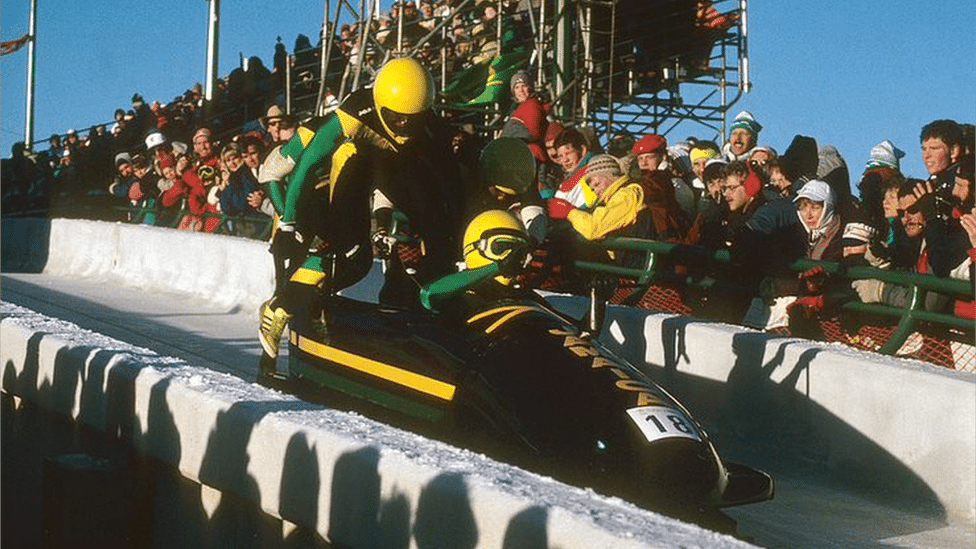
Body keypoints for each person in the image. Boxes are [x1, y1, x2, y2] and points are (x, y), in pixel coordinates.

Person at [256, 57, 465, 382]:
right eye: (396, 118)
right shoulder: (336, 125)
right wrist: (288, 222)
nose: (403, 127)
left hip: (367, 172)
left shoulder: (421, 123)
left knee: (361, 260)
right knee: (338, 257)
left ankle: (315, 308)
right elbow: (279, 172)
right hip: (312, 187)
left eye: (412, 119)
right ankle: (277, 319)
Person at [550, 127, 595, 208]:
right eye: (560, 156)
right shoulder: (565, 180)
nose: (565, 160)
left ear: (583, 150)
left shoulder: (592, 173)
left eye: (568, 153)